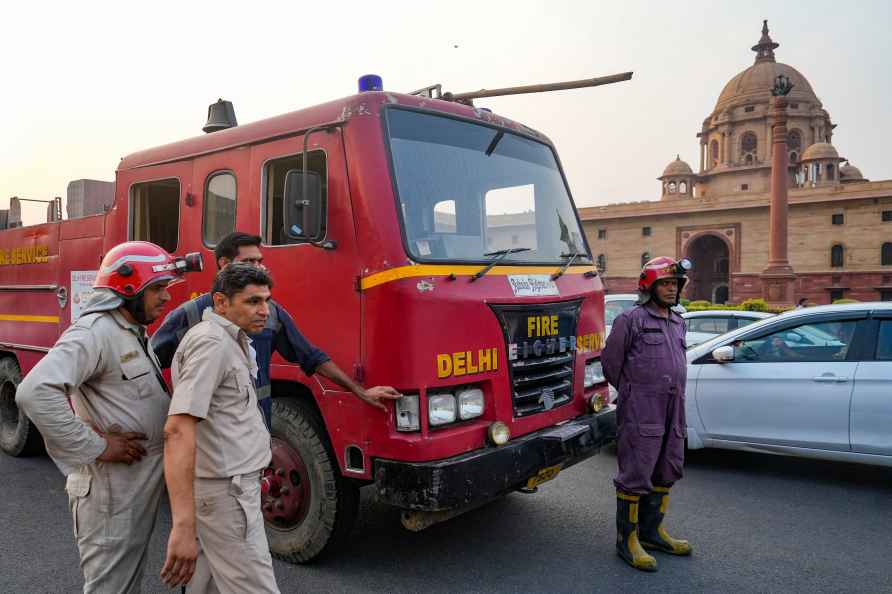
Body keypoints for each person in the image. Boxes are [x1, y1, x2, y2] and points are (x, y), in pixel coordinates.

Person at [15, 241, 201, 593]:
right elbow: (34, 392)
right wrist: (98, 446)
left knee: (126, 581)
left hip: (131, 486)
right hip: (110, 490)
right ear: (128, 289)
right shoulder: (96, 332)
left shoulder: (129, 330)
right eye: (157, 289)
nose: (166, 298)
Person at [151, 232, 400, 427]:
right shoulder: (190, 315)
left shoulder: (271, 314)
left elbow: (311, 357)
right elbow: (148, 368)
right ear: (224, 264)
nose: (258, 267)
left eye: (260, 261)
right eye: (249, 261)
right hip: (212, 449)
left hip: (256, 434)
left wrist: (360, 392)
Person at [160, 264, 280, 592]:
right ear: (221, 302)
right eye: (253, 301)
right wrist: (182, 526)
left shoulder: (232, 339)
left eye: (266, 301)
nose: (264, 311)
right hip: (227, 493)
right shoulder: (212, 344)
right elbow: (178, 429)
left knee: (205, 587)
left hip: (227, 488)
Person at [601, 256, 693, 572]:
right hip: (642, 408)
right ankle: (626, 541)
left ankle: (652, 533)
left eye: (675, 284)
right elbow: (612, 364)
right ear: (649, 287)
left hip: (673, 407)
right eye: (665, 284)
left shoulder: (678, 321)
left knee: (668, 466)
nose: (671, 289)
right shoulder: (632, 320)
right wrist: (634, 393)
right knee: (636, 471)